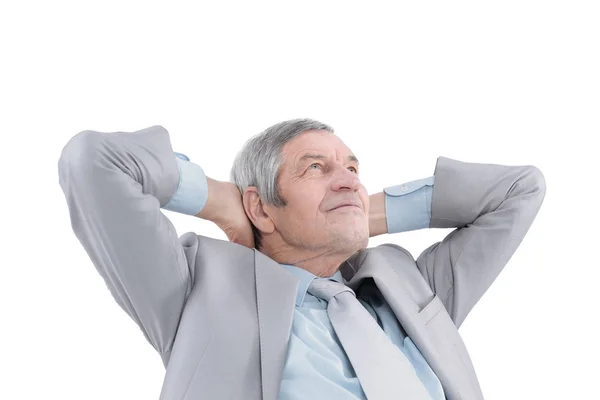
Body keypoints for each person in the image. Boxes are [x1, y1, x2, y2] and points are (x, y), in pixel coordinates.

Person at [57, 118, 546, 400]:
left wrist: (357, 213)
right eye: (316, 167)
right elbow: (93, 161)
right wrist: (222, 203)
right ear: (261, 206)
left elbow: (520, 191)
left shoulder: (409, 287)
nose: (349, 178)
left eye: (353, 168)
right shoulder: (197, 288)